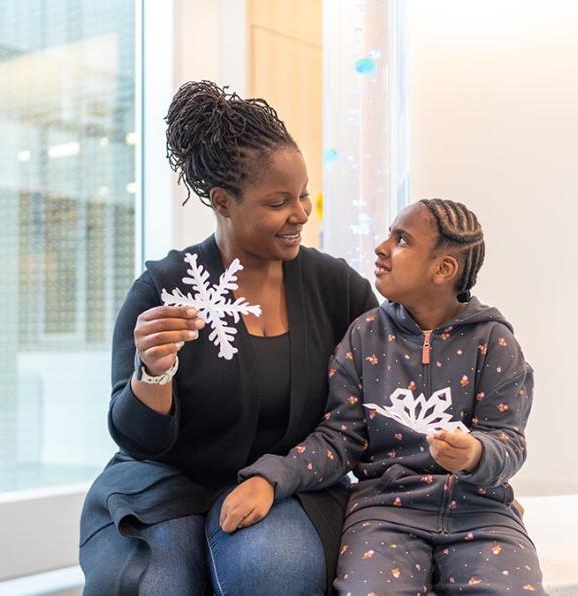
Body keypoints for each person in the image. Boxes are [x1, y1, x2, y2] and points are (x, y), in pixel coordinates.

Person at [78, 80, 378, 595]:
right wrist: (152, 372)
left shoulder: (339, 289)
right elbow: (136, 439)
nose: (301, 213)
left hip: (291, 483)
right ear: (222, 201)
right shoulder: (163, 290)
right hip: (169, 482)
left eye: (303, 194)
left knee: (271, 568)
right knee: (159, 582)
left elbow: (385, 402)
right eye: (278, 202)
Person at [228, 199, 546, 594]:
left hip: (481, 513)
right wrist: (274, 478)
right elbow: (338, 439)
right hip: (385, 514)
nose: (381, 247)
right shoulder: (363, 337)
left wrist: (475, 454)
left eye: (402, 240)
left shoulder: (495, 342)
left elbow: (508, 442)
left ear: (443, 269)